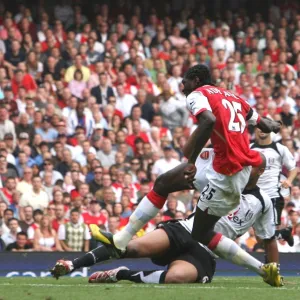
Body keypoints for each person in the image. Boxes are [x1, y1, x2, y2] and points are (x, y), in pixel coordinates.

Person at [87, 64, 282, 286]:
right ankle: (122, 238)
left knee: (201, 233)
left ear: (196, 80)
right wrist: (274, 125)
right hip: (231, 165)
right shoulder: (232, 96)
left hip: (227, 172)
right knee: (162, 183)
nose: (182, 86)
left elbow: (208, 120)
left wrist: (190, 161)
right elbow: (262, 122)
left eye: (185, 82)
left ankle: (262, 269)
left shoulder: (197, 95)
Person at [51, 155, 279, 285]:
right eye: (243, 164)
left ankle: (120, 274)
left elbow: (269, 239)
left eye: (250, 166)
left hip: (207, 253)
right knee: (128, 247)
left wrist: (274, 269)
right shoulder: (223, 181)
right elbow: (187, 178)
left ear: (259, 172)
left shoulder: (264, 203)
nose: (243, 168)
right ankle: (72, 264)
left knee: (176, 279)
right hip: (185, 230)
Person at [251, 128, 298, 231]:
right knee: (257, 231)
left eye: (265, 126)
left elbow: (294, 168)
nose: (262, 129)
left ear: (270, 129)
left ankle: (279, 234)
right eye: (259, 127)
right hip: (253, 195)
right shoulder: (250, 148)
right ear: (255, 130)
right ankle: (283, 234)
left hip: (273, 195)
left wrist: (289, 180)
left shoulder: (280, 148)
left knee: (271, 230)